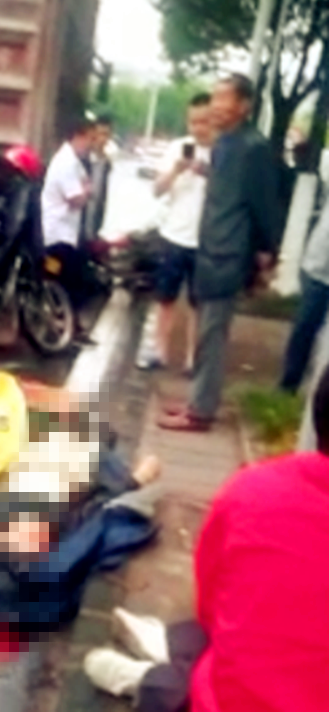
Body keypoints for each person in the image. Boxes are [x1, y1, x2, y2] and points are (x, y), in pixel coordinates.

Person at [84, 363, 329, 711]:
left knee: (213, 651)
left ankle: (149, 674)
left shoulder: (255, 490)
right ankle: (166, 651)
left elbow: (211, 603)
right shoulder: (258, 490)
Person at [159, 74, 282, 432]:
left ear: (244, 106)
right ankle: (198, 401)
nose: (215, 106)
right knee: (205, 333)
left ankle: (200, 412)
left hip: (228, 253)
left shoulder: (253, 148)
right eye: (213, 98)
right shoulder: (225, 143)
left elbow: (264, 206)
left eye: (224, 98)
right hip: (210, 248)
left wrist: (267, 253)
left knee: (212, 335)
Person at [143, 93, 213, 373]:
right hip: (173, 235)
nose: (198, 128)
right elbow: (157, 190)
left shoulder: (221, 153)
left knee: (198, 304)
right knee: (165, 299)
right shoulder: (176, 149)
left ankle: (192, 359)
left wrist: (206, 172)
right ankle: (160, 353)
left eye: (204, 121)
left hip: (205, 241)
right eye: (193, 121)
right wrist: (176, 169)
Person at [41, 118, 96, 345]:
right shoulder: (66, 163)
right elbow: (76, 199)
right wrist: (87, 192)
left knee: (66, 280)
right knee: (66, 281)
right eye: (89, 138)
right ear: (77, 136)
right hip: (57, 235)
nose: (91, 144)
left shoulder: (73, 161)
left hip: (63, 233)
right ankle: (66, 327)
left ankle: (68, 326)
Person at [279, 188, 329, 393]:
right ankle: (289, 384)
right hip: (317, 267)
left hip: (317, 265)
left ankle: (319, 390)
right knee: (304, 328)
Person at [82, 113, 114, 244]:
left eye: (106, 135)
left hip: (93, 225)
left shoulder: (106, 163)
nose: (102, 139)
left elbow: (102, 197)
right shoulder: (82, 159)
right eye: (100, 134)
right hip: (77, 224)